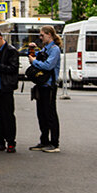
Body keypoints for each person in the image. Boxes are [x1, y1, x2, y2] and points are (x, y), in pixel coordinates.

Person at [27, 25, 62, 153]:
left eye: (42, 35)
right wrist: (31, 50)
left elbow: (48, 66)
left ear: (49, 35)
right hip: (41, 85)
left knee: (50, 114)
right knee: (41, 114)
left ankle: (54, 143)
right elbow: (34, 56)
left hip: (49, 85)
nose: (40, 37)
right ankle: (44, 141)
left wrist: (34, 61)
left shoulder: (55, 49)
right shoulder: (45, 49)